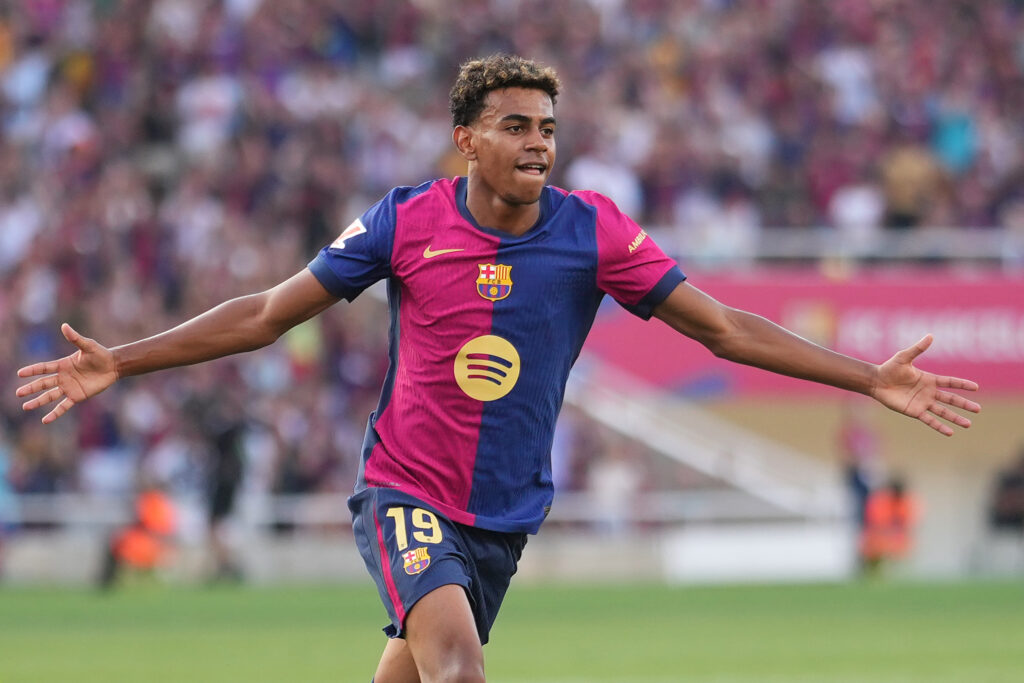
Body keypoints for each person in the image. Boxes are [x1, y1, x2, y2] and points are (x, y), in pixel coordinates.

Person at [15, 55, 981, 682]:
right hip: (405, 489)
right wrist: (125, 361)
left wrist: (867, 377)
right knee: (460, 675)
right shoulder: (404, 220)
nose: (538, 144)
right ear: (467, 138)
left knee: (412, 676)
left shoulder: (594, 231)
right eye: (517, 126)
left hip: (506, 513)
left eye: (548, 128)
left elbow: (723, 329)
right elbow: (269, 314)